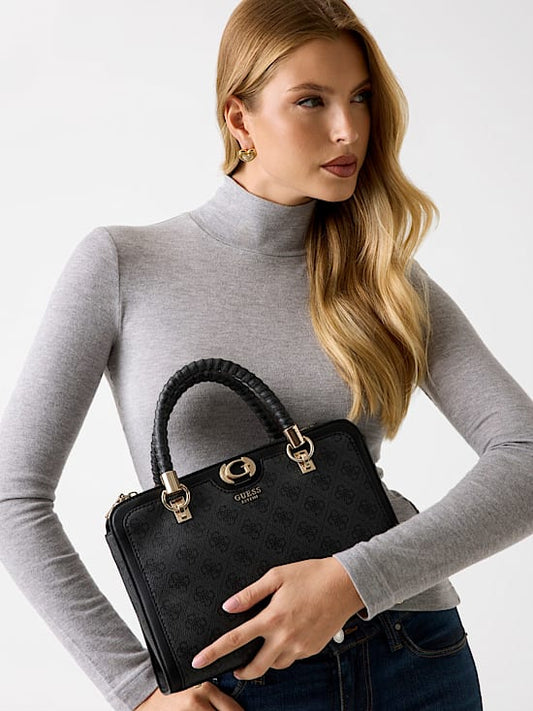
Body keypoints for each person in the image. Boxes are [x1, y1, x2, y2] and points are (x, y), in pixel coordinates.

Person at [1, 0, 532, 709]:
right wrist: (136, 688)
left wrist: (353, 579)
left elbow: (525, 454)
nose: (347, 129)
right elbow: (13, 497)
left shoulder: (384, 277)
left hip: (413, 651)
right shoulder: (124, 263)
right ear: (239, 119)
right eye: (311, 101)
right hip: (238, 679)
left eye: (360, 98)